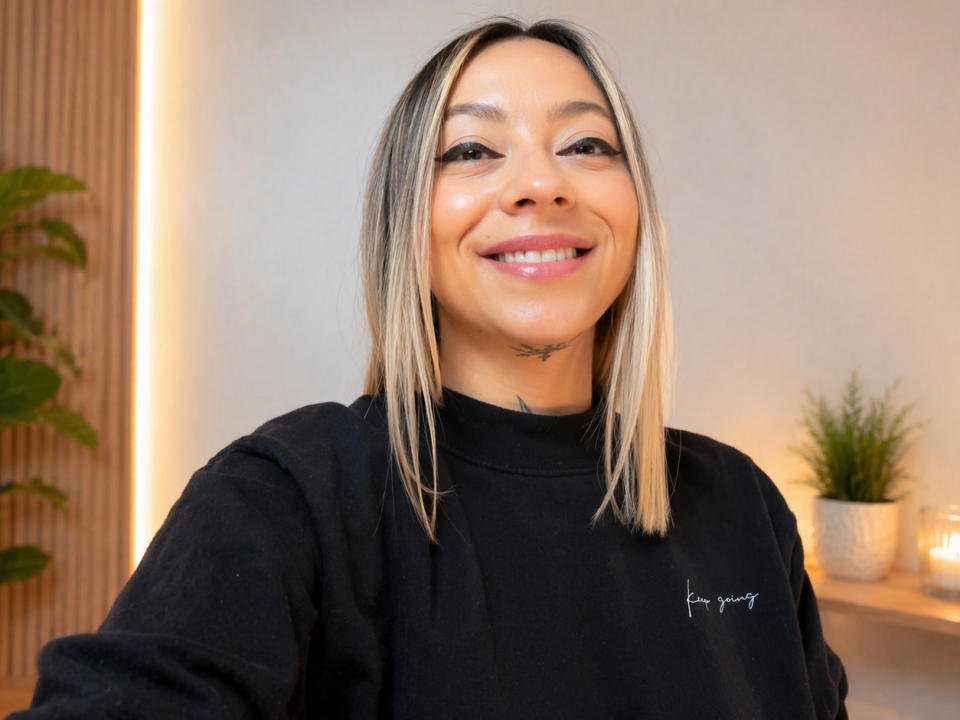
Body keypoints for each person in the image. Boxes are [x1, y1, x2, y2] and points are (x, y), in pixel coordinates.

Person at [12, 18, 847, 719]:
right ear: (406, 221)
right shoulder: (288, 497)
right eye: (474, 150)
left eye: (586, 144)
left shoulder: (743, 505)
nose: (541, 182)